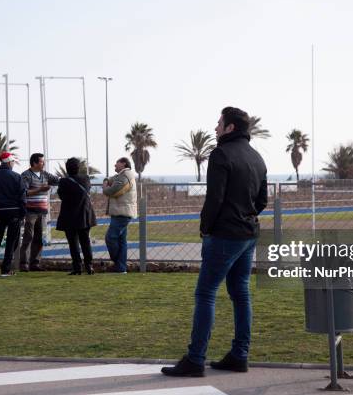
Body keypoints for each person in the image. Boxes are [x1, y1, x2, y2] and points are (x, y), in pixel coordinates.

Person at [162, 106, 268, 377]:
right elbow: (262, 201)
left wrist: (206, 228)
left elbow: (215, 198)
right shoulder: (257, 158)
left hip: (224, 234)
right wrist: (246, 215)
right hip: (248, 233)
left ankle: (195, 359)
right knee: (240, 294)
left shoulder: (221, 154)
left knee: (206, 293)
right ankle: (239, 355)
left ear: (230, 127)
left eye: (219, 123)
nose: (216, 127)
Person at [56, 157, 97, 275]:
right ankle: (89, 266)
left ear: (67, 169)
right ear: (78, 168)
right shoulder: (86, 179)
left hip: (69, 216)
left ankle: (77, 267)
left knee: (73, 243)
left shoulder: (64, 182)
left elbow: (61, 196)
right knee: (85, 241)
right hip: (85, 214)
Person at [20, 153, 60, 271]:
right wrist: (40, 189)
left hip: (42, 212)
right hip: (30, 212)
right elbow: (25, 192)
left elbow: (57, 180)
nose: (44, 163)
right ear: (34, 163)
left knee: (38, 238)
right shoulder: (26, 175)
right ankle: (24, 264)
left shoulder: (45, 174)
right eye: (42, 162)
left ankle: (35, 264)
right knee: (28, 236)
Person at [102, 157, 137, 274]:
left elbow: (114, 191)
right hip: (122, 211)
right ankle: (121, 268)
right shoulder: (123, 175)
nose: (114, 165)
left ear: (123, 163)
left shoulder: (125, 176)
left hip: (122, 212)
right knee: (122, 241)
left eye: (117, 162)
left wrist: (105, 187)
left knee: (110, 238)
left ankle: (118, 263)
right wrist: (107, 180)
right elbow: (112, 180)